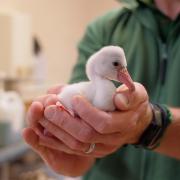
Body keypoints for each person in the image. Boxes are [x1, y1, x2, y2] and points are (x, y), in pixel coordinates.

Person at [22, 0, 180, 179]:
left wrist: (149, 124)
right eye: (117, 66)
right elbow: (77, 125)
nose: (126, 78)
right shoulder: (104, 28)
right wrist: (74, 151)